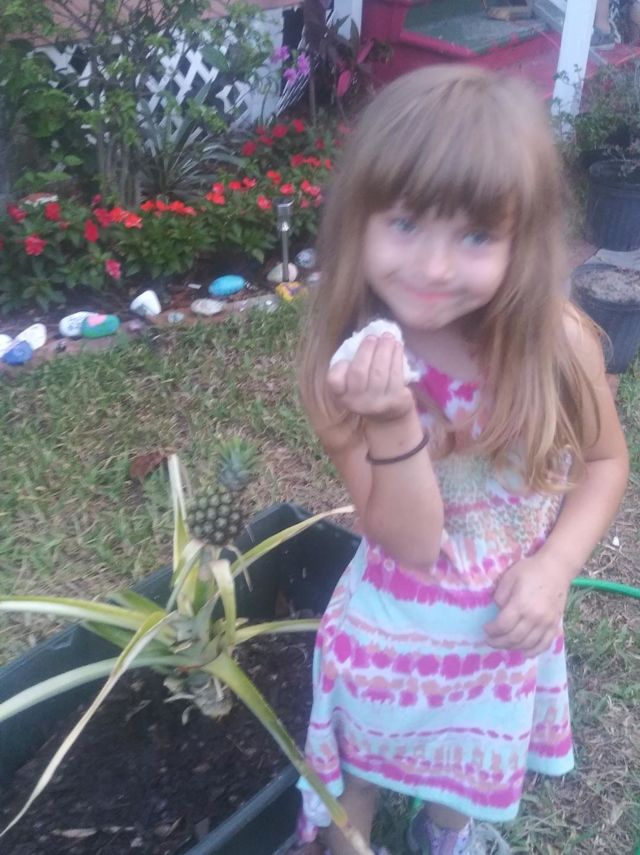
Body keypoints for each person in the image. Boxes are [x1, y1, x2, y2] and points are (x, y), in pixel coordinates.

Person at [291, 65, 629, 855]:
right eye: (406, 223)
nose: (436, 267)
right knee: (357, 770)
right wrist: (392, 418)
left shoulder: (559, 346)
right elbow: (411, 543)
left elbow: (605, 463)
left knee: (465, 762)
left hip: (502, 634)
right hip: (391, 632)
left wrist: (555, 568)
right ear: (358, 221)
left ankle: (445, 832)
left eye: (476, 236)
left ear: (524, 241)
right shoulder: (346, 371)